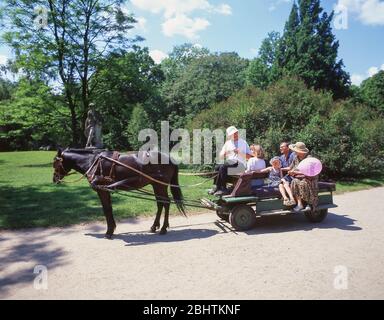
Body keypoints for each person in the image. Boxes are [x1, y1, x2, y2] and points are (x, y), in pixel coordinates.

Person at [210, 126, 253, 196]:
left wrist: (240, 153)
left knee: (223, 167)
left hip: (240, 167)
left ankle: (223, 188)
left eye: (236, 133)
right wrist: (227, 152)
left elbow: (249, 157)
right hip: (230, 165)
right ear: (229, 136)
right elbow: (220, 156)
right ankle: (217, 187)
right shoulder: (227, 143)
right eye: (233, 134)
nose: (235, 135)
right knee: (217, 167)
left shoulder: (243, 142)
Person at [287, 142, 319, 212]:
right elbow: (291, 168)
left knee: (304, 183)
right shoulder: (296, 158)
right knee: (294, 182)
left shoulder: (309, 159)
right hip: (300, 177)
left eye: (295, 150)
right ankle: (299, 204)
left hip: (310, 178)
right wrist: (290, 171)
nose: (294, 152)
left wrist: (295, 172)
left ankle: (309, 203)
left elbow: (309, 172)